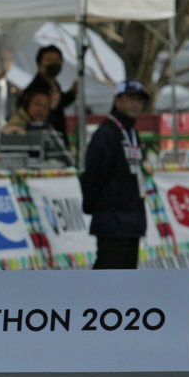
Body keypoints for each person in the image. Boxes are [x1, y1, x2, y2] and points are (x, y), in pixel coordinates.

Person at [79, 79, 150, 269]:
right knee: (108, 276)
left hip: (132, 222)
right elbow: (93, 175)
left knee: (126, 279)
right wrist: (93, 207)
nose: (135, 104)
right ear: (117, 101)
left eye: (139, 100)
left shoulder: (132, 132)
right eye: (130, 98)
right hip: (112, 221)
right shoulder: (106, 134)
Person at [24, 45, 76, 140]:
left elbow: (60, 105)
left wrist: (72, 94)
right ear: (40, 64)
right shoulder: (35, 89)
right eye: (49, 59)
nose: (54, 63)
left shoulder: (55, 85)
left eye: (57, 60)